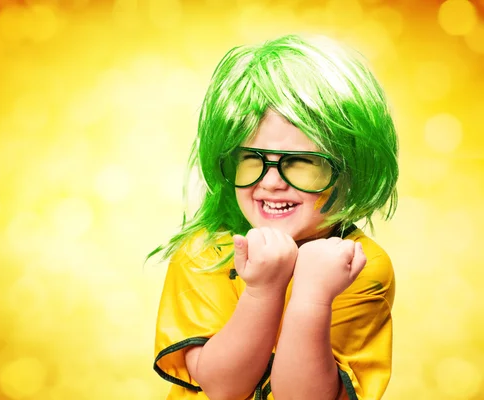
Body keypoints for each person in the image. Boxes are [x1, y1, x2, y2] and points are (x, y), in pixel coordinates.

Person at [151, 33, 399, 400]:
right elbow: (222, 387)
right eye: (251, 158)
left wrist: (313, 295)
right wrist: (263, 290)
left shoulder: (359, 266)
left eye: (301, 162)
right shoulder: (205, 253)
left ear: (351, 170)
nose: (269, 183)